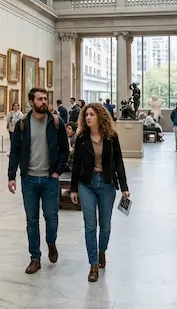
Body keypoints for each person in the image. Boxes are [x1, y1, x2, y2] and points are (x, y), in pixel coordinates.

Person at [7, 87, 68, 275]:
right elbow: (15, 151)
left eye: (45, 98)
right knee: (31, 220)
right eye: (40, 99)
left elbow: (65, 150)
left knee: (51, 216)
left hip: (50, 179)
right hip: (29, 180)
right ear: (31, 102)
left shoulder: (56, 122)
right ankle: (35, 258)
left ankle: (51, 242)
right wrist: (11, 176)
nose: (44, 102)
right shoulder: (23, 124)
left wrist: (57, 172)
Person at [70, 103, 129, 283]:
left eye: (92, 114)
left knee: (105, 225)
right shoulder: (81, 138)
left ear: (100, 117)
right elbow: (76, 164)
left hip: (106, 184)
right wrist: (74, 188)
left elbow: (119, 161)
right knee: (90, 225)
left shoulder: (111, 137)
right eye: (86, 114)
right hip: (86, 184)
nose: (88, 117)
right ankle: (93, 264)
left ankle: (102, 250)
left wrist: (124, 187)